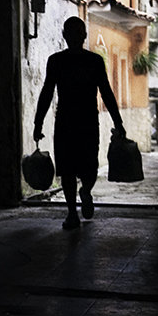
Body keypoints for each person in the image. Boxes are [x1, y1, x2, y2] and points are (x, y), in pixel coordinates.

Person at [32, 16, 126, 230]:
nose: (74, 37)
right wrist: (118, 122)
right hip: (87, 121)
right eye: (73, 33)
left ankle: (73, 211)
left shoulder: (57, 61)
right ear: (83, 36)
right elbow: (107, 94)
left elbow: (46, 93)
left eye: (76, 33)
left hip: (66, 121)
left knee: (68, 168)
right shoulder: (93, 61)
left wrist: (38, 124)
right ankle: (81, 199)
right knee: (87, 165)